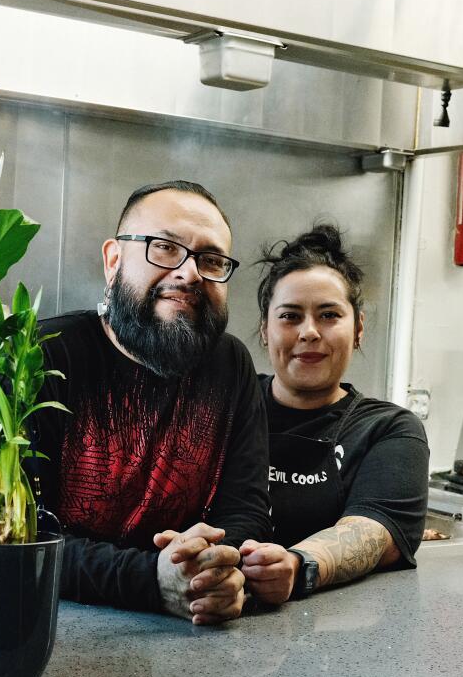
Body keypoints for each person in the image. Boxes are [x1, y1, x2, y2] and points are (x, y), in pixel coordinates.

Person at [29, 181, 285, 624]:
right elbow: (20, 535)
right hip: (57, 629)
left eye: (210, 259)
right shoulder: (42, 356)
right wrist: (150, 579)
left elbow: (244, 509)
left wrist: (214, 569)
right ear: (113, 261)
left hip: (194, 633)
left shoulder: (230, 363)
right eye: (165, 248)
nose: (189, 273)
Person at [239, 225, 429, 604]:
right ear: (265, 330)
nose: (309, 332)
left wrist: (295, 565)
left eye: (328, 315)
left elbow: (375, 533)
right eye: (290, 317)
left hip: (335, 636)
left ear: (358, 329)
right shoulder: (229, 405)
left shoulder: (388, 429)